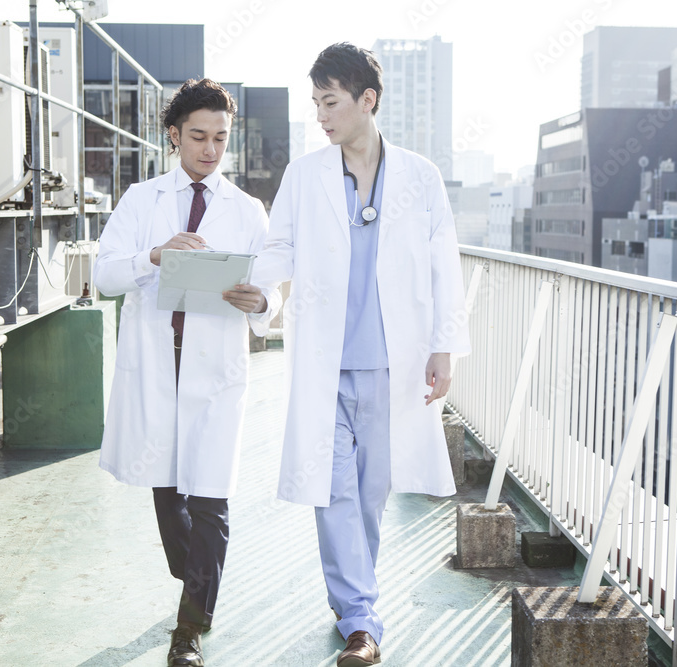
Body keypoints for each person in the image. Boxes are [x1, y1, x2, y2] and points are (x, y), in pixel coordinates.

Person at [228, 43, 470, 667]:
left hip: (394, 366)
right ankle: (361, 621)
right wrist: (258, 291)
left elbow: (445, 264)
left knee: (370, 497)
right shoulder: (306, 176)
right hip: (325, 365)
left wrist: (444, 346)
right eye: (315, 103)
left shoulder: (420, 176)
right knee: (334, 493)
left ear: (367, 100)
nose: (321, 116)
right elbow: (278, 247)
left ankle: (356, 605)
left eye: (330, 102)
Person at [94, 78, 279, 667]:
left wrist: (263, 305)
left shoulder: (247, 210)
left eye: (220, 138)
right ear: (173, 135)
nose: (209, 149)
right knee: (169, 492)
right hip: (156, 367)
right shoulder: (141, 201)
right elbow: (103, 277)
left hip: (216, 373)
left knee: (211, 501)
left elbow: (274, 295)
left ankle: (190, 631)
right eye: (198, 136)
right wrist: (154, 256)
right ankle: (194, 576)